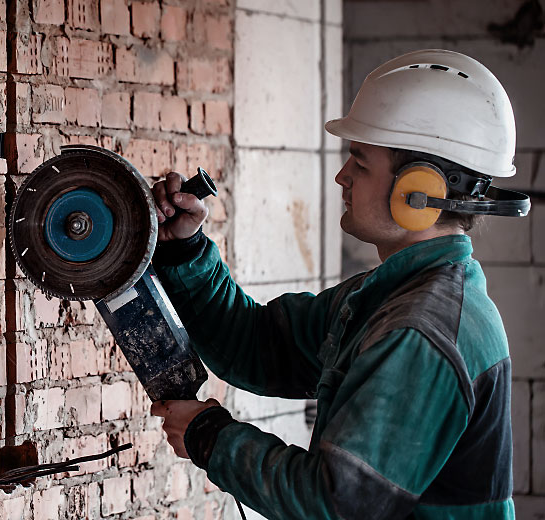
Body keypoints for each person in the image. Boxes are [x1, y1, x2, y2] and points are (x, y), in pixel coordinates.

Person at [149, 49, 529, 519]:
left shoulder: (419, 331)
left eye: (360, 162)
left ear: (420, 191)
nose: (341, 176)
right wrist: (186, 249)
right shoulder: (390, 297)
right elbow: (255, 345)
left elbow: (337, 503)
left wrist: (210, 437)